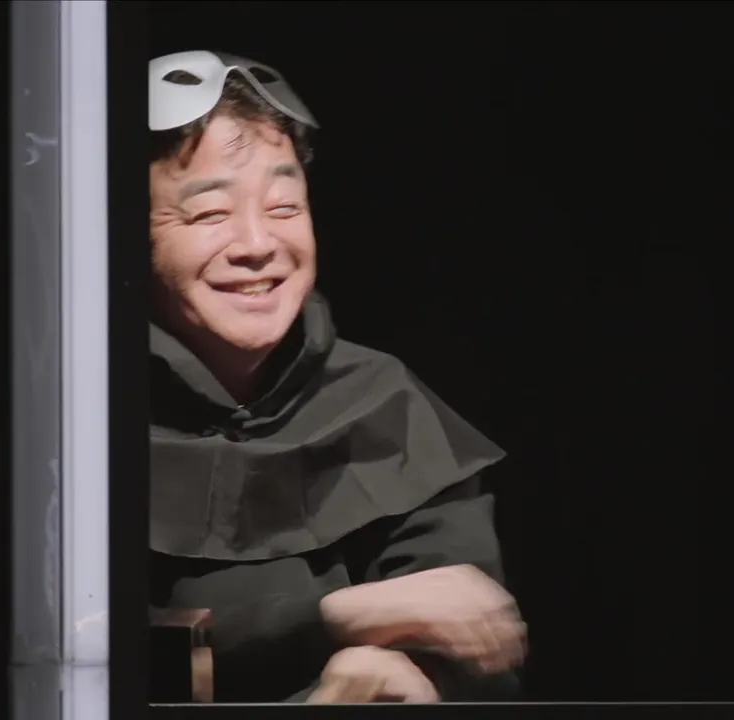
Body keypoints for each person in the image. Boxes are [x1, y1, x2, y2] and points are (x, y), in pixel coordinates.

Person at [146, 51, 526, 704]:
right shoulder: (69, 421)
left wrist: (411, 680)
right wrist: (333, 617)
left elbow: (475, 645)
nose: (257, 243)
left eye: (284, 207)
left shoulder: (385, 403)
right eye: (209, 215)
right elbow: (73, 655)